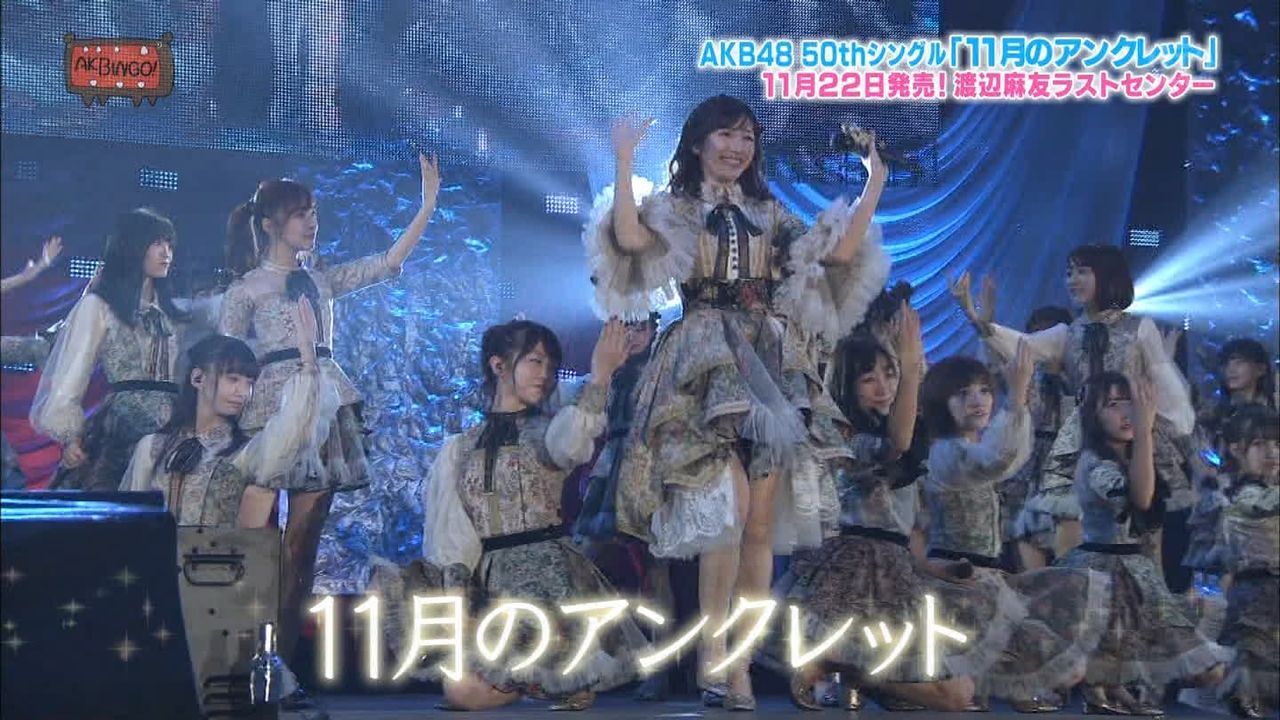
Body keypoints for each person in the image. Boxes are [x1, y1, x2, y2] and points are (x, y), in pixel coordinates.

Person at [588, 95, 890, 708]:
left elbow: (835, 255)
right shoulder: (677, 207)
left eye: (747, 137)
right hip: (704, 359)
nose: (737, 147)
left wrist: (874, 182)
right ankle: (713, 653)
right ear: (699, 143)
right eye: (725, 135)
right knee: (727, 510)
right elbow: (629, 238)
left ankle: (741, 665)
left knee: (759, 526)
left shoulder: (769, 212)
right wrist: (623, 162)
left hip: (769, 361)